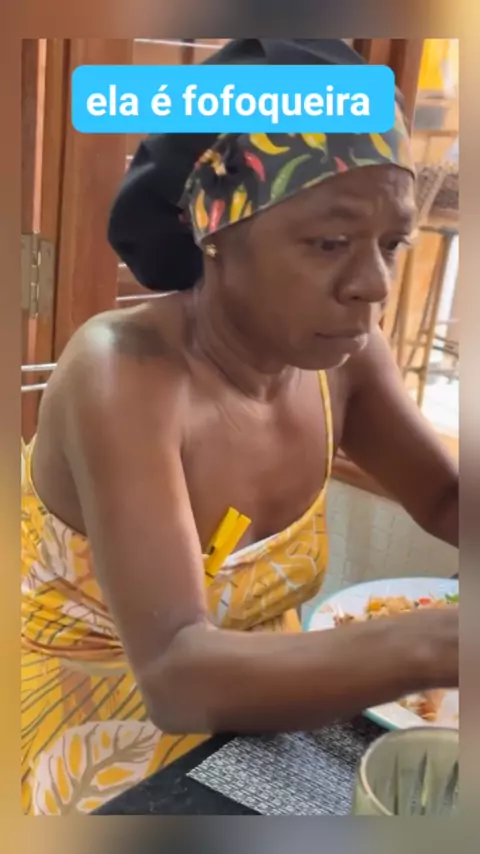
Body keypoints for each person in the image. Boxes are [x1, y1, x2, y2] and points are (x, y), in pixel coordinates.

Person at [21, 39, 458, 816]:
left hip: (260, 702)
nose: (374, 284)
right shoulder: (120, 374)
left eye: (393, 244)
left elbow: (447, 498)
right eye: (330, 243)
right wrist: (438, 643)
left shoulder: (344, 361)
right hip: (94, 725)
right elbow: (176, 674)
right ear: (214, 231)